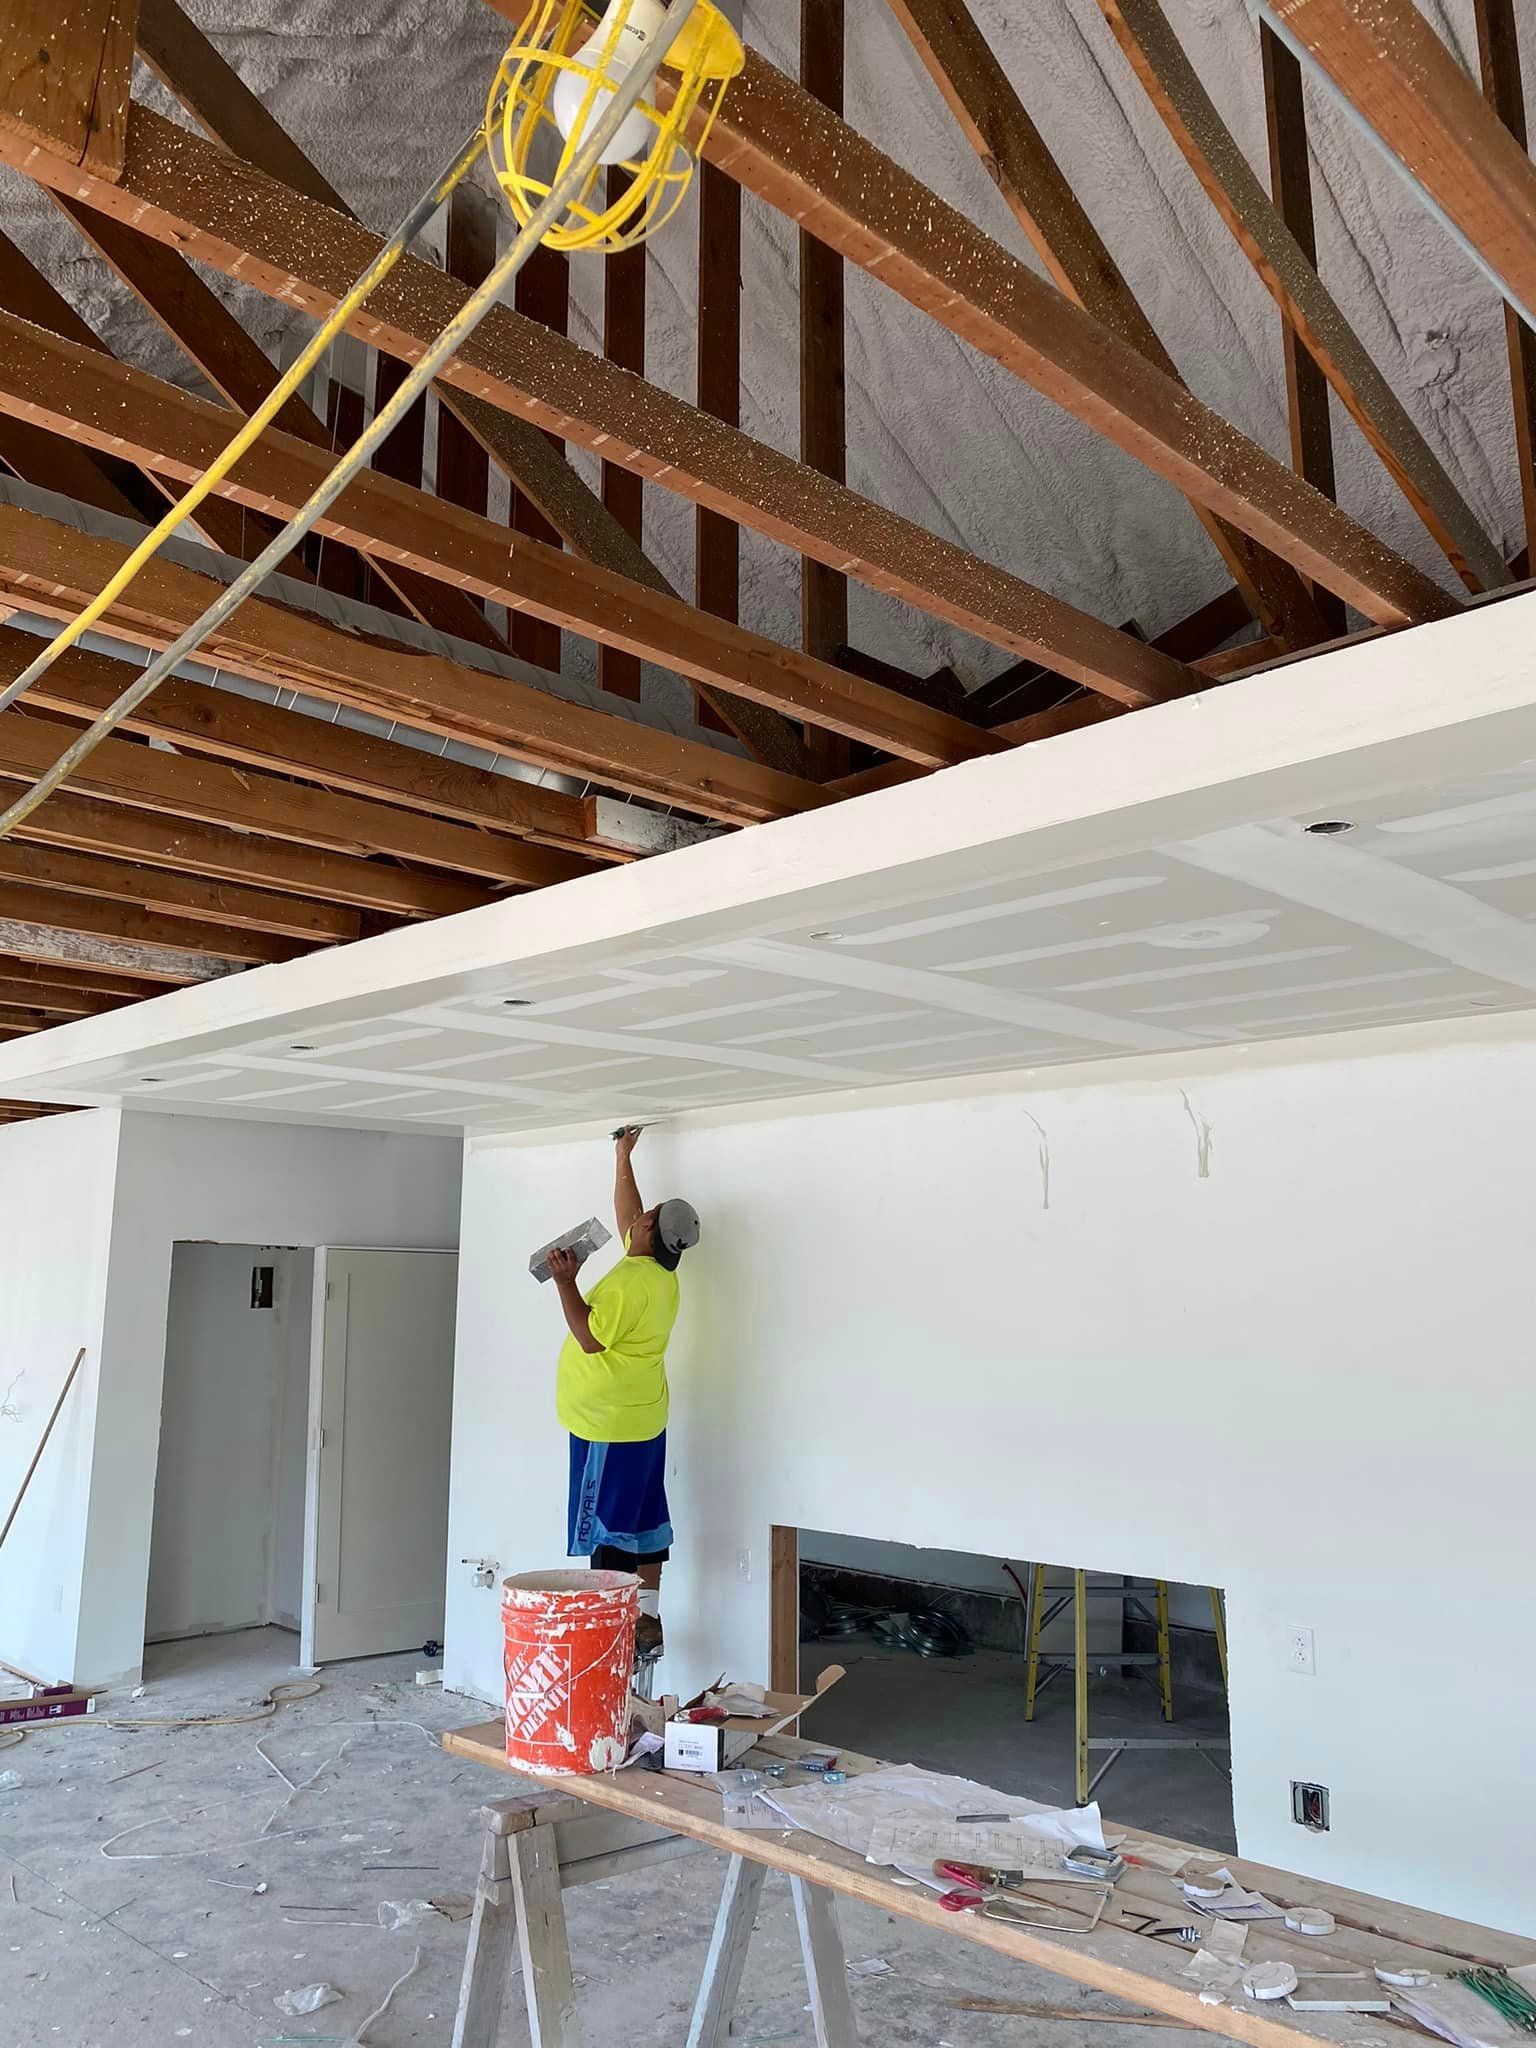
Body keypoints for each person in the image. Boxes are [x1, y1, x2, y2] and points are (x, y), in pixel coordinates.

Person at [546, 1126, 700, 1660]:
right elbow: (628, 1216)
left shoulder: (631, 1280)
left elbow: (589, 1338)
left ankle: (613, 1630)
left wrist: (567, 1280)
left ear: (648, 1229)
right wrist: (622, 1157)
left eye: (646, 1215)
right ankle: (648, 1617)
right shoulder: (659, 1274)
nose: (637, 1217)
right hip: (645, 1420)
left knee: (606, 1531)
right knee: (644, 1517)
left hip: (604, 1424)